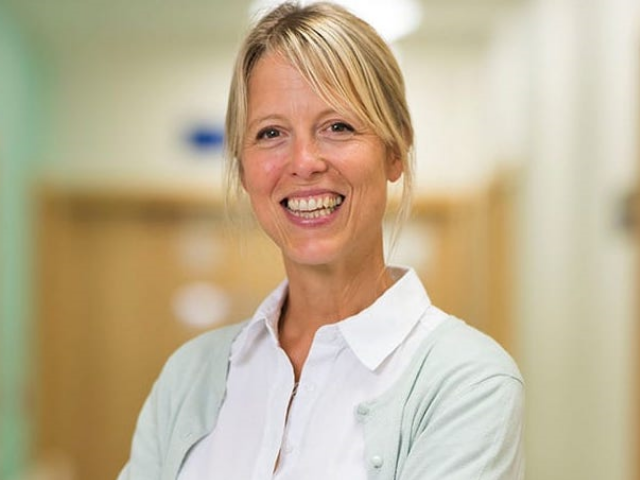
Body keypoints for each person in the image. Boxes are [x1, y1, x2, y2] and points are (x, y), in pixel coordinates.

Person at [118, 2, 524, 479]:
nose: (304, 161)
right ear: (243, 170)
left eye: (338, 127)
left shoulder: (466, 383)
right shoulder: (188, 377)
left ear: (394, 151)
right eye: (271, 133)